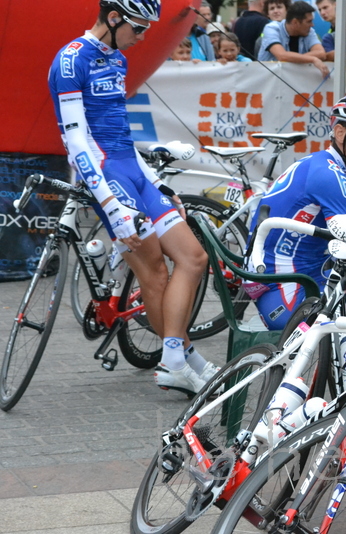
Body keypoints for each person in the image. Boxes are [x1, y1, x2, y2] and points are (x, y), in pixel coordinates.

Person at [48, 0, 212, 395]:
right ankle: (178, 359)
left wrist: (156, 182)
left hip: (132, 170)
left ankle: (176, 354)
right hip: (106, 176)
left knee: (194, 257)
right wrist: (111, 206)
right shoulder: (71, 61)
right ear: (114, 17)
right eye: (138, 29)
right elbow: (77, 143)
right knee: (154, 270)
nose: (141, 38)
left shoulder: (117, 59)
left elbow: (120, 132)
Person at [245, 92, 346, 329]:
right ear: (340, 133)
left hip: (291, 282)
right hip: (293, 296)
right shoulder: (330, 175)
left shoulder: (320, 163)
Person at [258, 1, 330, 78]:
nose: (312, 25)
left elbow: (321, 53)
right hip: (269, 82)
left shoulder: (309, 31)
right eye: (309, 21)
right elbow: (282, 56)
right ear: (295, 22)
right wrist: (313, 59)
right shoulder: (271, 28)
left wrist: (295, 59)